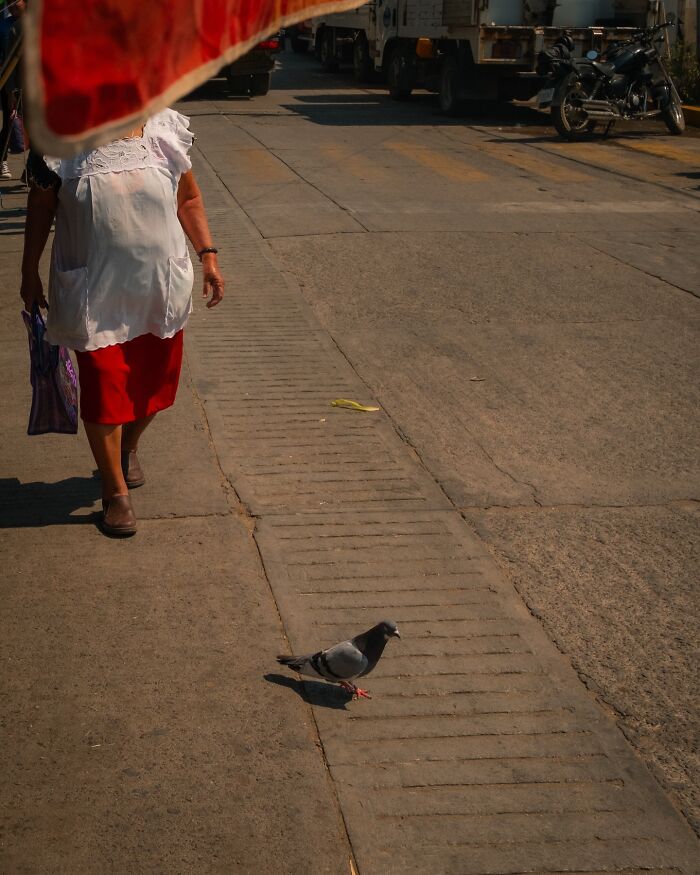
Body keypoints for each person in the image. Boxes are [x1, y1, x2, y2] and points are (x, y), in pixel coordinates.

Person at [20, 108, 224, 536]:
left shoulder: (164, 128)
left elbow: (187, 198)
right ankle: (115, 491)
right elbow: (40, 206)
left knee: (155, 385)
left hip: (157, 289)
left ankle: (127, 446)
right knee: (104, 385)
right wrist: (28, 271)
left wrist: (208, 253)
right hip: (95, 294)